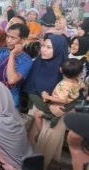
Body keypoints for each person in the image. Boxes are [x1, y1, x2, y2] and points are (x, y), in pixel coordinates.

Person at [23, 34, 69, 170]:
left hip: (56, 114)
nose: (43, 50)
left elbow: (73, 95)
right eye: (43, 46)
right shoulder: (37, 62)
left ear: (59, 50)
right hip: (35, 108)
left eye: (49, 47)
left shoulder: (66, 69)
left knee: (46, 148)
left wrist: (58, 107)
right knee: (33, 143)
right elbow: (30, 87)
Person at [34, 58, 85, 134]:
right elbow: (83, 86)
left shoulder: (64, 86)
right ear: (79, 74)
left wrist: (47, 97)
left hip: (56, 107)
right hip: (68, 105)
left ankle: (40, 134)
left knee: (36, 115)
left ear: (60, 70)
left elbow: (63, 100)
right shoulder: (78, 80)